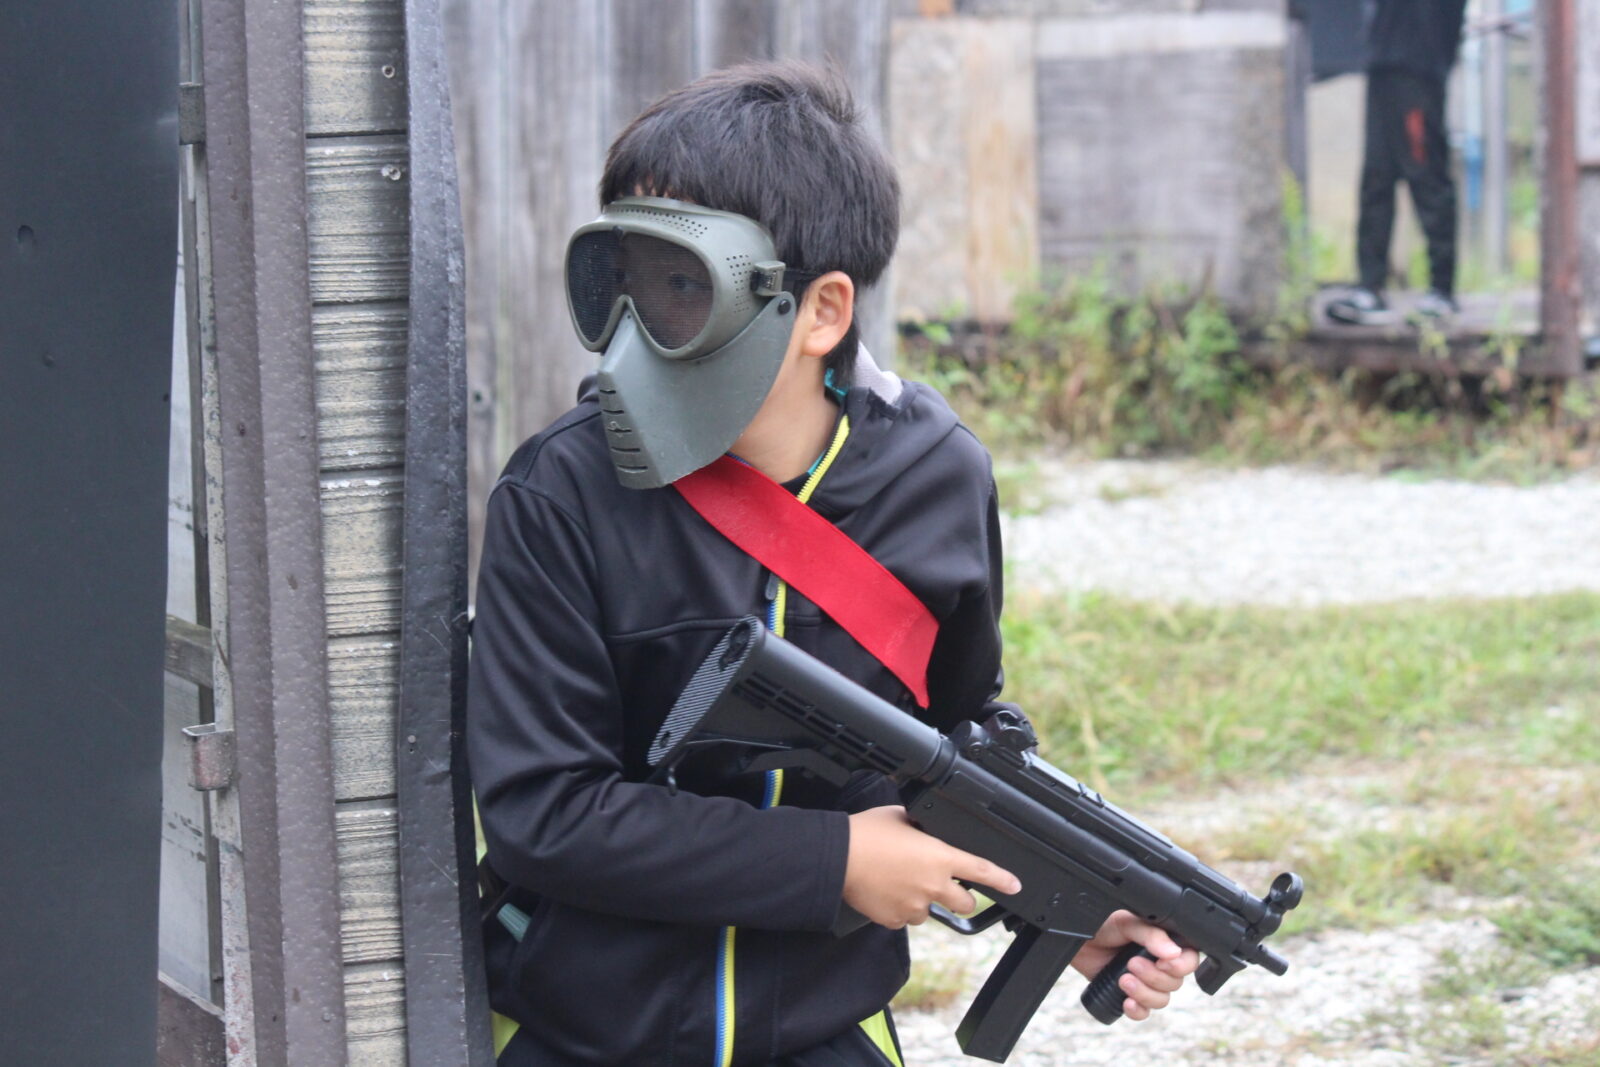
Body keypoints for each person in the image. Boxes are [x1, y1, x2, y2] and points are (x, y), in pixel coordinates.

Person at [466, 60, 1198, 1067]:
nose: (641, 328)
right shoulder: (562, 491)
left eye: (683, 285)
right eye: (627, 278)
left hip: (825, 1030)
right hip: (581, 1036)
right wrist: (834, 860)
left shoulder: (938, 479)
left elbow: (948, 745)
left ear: (821, 311)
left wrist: (1064, 903)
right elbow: (542, 813)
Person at [1327, 0, 1469, 325]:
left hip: (1419, 70)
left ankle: (1442, 291)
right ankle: (1370, 288)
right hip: (1383, 66)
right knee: (1376, 179)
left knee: (1428, 180)